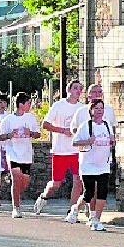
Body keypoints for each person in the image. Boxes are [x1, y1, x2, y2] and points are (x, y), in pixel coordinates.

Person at [35, 80, 85, 222]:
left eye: (80, 89)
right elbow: (45, 124)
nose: (78, 91)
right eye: (75, 88)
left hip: (77, 150)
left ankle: (71, 211)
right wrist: (63, 130)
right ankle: (44, 196)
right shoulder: (59, 105)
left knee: (78, 180)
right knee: (56, 183)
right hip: (60, 150)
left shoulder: (82, 109)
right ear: (68, 90)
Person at [72, 98, 114, 231]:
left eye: (101, 108)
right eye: (96, 108)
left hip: (103, 164)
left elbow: (111, 141)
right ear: (91, 111)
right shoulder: (86, 125)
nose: (99, 111)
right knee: (89, 193)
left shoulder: (107, 125)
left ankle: (96, 219)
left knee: (102, 192)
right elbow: (75, 142)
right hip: (88, 164)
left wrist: (112, 141)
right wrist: (88, 141)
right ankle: (75, 209)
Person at [0, 92, 41, 218]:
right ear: (21, 104)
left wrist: (30, 132)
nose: (30, 105)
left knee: (24, 182)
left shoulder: (31, 118)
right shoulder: (8, 120)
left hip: (26, 154)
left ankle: (17, 196)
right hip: (13, 153)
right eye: (28, 103)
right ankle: (16, 208)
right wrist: (9, 135)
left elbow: (38, 134)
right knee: (16, 178)